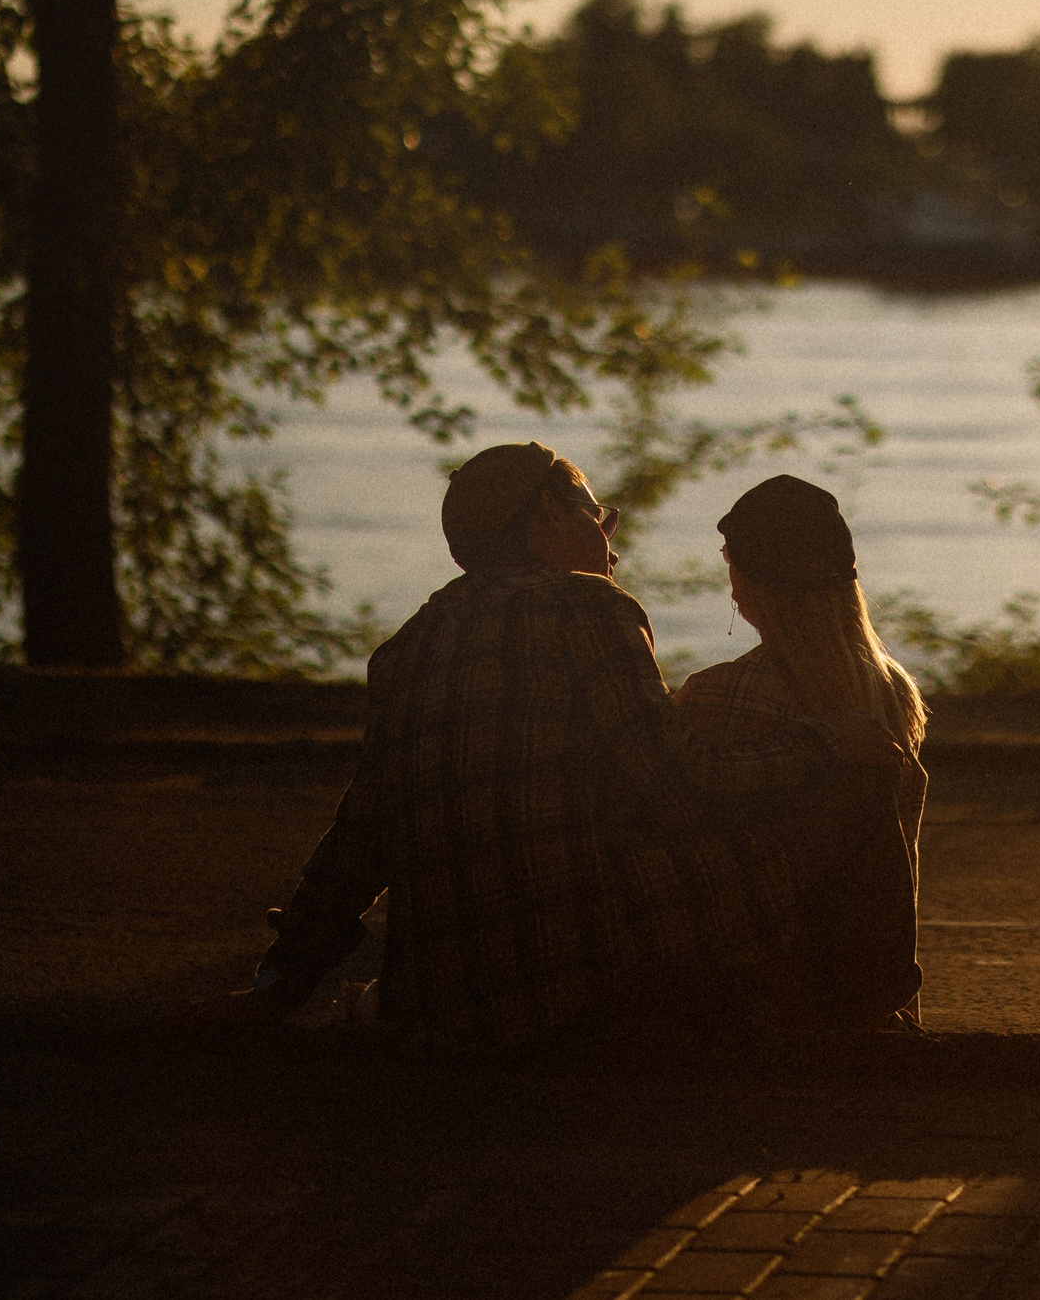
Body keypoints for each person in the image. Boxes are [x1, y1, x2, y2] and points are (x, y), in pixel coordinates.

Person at [191, 443, 905, 1053]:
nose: (611, 540)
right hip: (574, 988)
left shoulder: (408, 645)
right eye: (598, 516)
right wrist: (823, 740)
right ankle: (867, 1013)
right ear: (546, 515)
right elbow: (677, 786)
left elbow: (358, 839)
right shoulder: (588, 608)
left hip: (439, 1003)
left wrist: (277, 985)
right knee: (859, 777)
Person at [675, 474, 929, 1029]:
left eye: (730, 563)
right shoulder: (893, 691)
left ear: (746, 583)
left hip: (758, 992)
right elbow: (898, 869)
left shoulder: (720, 694)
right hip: (863, 986)